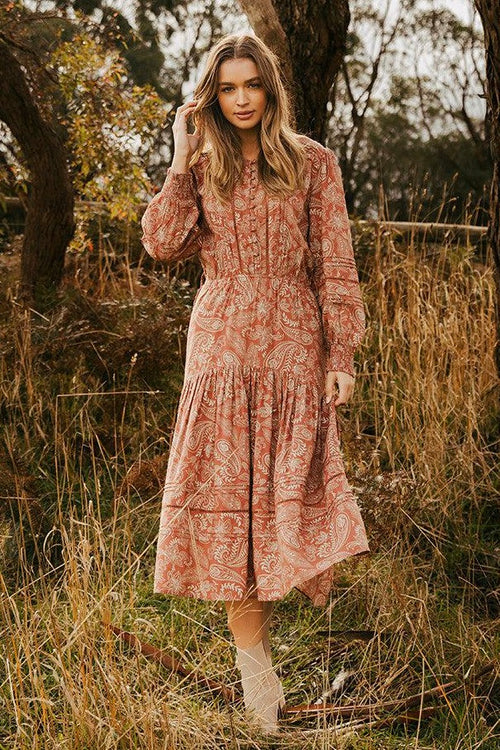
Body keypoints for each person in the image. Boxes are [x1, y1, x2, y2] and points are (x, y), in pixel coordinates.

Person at [140, 32, 370, 735]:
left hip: (294, 350)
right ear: (213, 95)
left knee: (278, 509)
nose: (241, 99)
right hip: (221, 348)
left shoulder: (314, 163)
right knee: (233, 514)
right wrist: (180, 159)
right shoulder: (202, 166)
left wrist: (342, 354)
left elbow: (335, 263)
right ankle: (258, 691)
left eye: (252, 85)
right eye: (228, 88)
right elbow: (161, 242)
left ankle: (260, 685)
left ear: (270, 89)